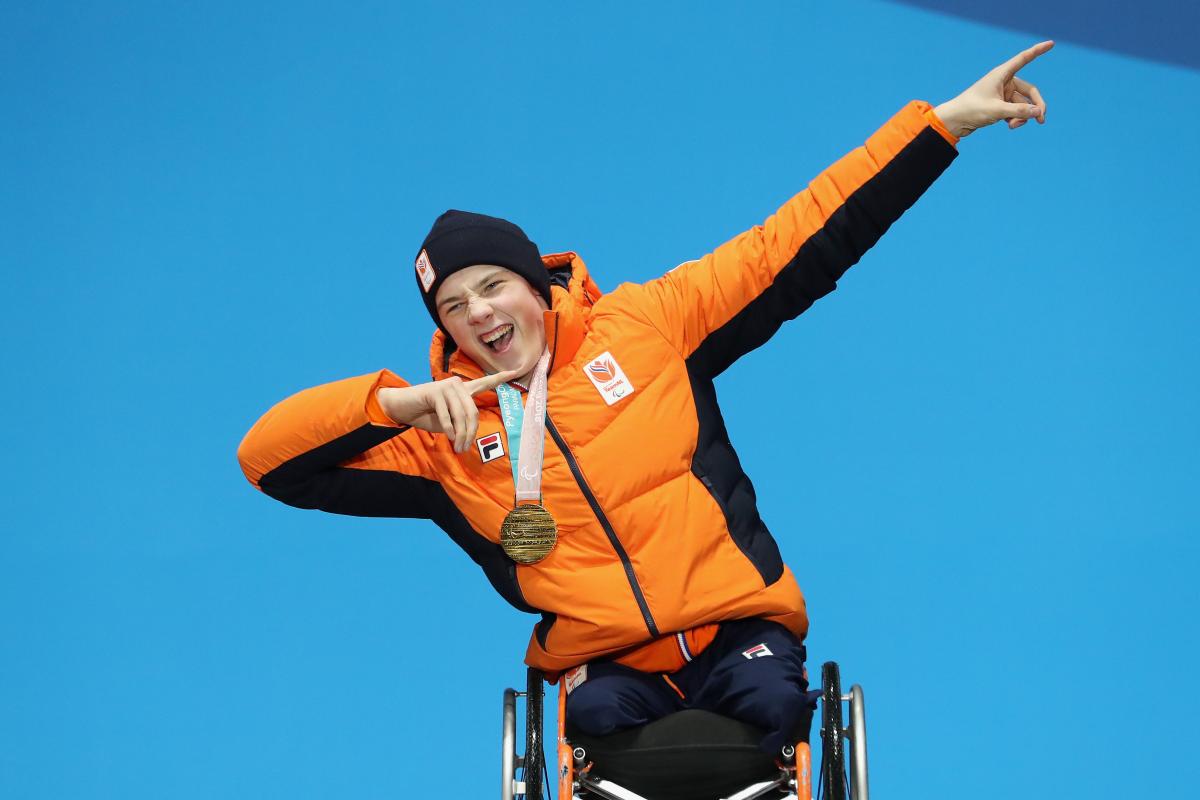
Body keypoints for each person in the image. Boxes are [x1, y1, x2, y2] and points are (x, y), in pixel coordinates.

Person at [238, 42, 1053, 753]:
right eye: (454, 306)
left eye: (492, 286)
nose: (479, 312)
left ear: (536, 285)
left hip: (738, 627)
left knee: (773, 707)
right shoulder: (443, 433)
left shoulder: (648, 325)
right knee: (595, 723)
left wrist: (943, 124)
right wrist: (390, 406)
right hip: (609, 664)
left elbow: (796, 239)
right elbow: (268, 461)